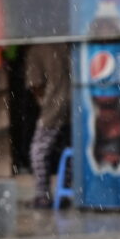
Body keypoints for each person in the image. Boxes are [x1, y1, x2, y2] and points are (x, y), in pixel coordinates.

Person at [25, 43, 71, 208]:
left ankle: (42, 195)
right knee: (69, 149)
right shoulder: (65, 44)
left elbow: (36, 84)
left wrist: (43, 103)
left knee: (38, 150)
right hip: (75, 103)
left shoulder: (36, 50)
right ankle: (65, 192)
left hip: (54, 104)